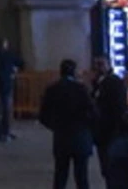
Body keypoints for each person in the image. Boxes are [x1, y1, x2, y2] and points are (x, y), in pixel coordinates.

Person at [38, 58, 98, 189]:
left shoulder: (52, 89)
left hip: (62, 136)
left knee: (60, 174)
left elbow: (43, 115)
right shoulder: (82, 89)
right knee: (82, 176)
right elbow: (92, 112)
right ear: (74, 72)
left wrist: (54, 126)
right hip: (81, 135)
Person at [0, 36, 23, 142]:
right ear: (5, 44)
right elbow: (20, 63)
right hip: (7, 85)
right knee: (6, 110)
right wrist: (14, 70)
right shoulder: (9, 55)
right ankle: (6, 132)